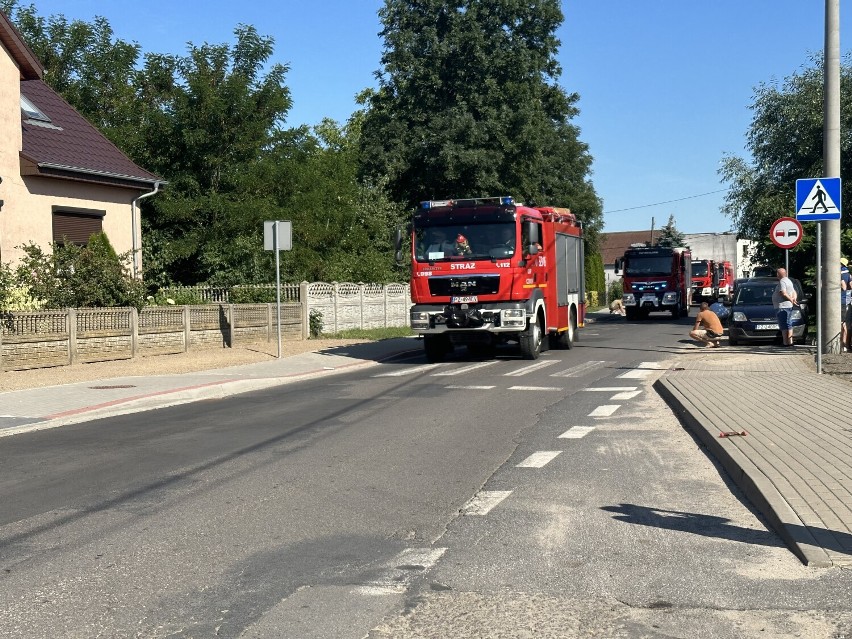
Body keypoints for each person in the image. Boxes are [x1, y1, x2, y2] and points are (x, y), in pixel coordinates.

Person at [772, 267, 798, 347]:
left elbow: (783, 293)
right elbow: (794, 292)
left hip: (782, 306)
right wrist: (794, 299)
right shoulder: (788, 281)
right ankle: (790, 342)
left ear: (778, 274)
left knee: (784, 324)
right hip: (788, 306)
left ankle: (785, 342)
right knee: (788, 323)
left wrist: (791, 300)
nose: (776, 275)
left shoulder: (782, 281)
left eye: (777, 273)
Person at [842, 257, 851, 352]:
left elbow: (844, 287)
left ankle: (844, 343)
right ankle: (846, 345)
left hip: (841, 300)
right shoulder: (848, 275)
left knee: (843, 323)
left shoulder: (839, 274)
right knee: (846, 323)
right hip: (847, 301)